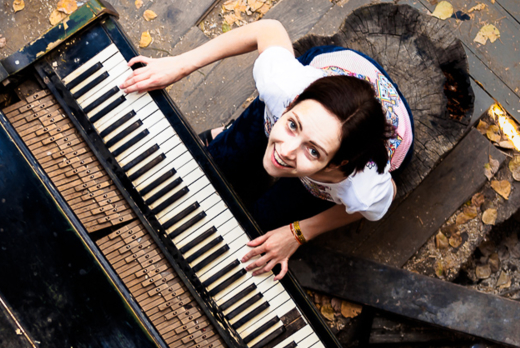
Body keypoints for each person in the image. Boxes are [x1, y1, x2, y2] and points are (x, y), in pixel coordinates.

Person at [119, 18, 413, 279]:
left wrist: (298, 233)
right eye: (294, 125)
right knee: (216, 164)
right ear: (294, 103)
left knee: (258, 228)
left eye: (313, 151)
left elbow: (376, 203)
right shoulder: (283, 86)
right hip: (335, 75)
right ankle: (242, 133)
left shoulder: (361, 185)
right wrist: (181, 65)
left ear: (339, 164)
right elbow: (268, 29)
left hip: (349, 153)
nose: (285, 150)